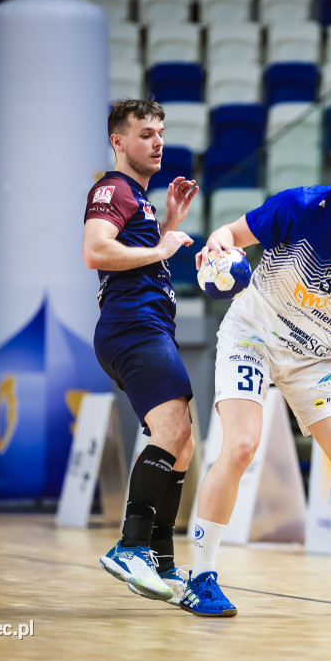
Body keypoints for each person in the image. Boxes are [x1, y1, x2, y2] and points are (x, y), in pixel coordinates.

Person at [185, 130, 331, 617]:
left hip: (315, 359)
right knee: (242, 445)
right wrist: (216, 248)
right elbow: (229, 233)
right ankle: (200, 576)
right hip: (253, 335)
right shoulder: (302, 206)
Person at [85, 99, 200, 603]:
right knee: (173, 430)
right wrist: (163, 247)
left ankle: (161, 561)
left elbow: (130, 253)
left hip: (146, 325)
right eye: (146, 133)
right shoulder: (112, 188)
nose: (158, 142)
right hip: (133, 326)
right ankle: (130, 548)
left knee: (184, 442)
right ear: (118, 141)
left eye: (161, 133)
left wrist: (167, 222)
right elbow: (96, 250)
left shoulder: (139, 197)